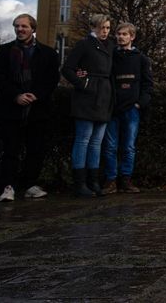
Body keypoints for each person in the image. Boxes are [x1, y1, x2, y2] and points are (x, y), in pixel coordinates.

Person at [0, 14, 59, 202]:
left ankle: (29, 184)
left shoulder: (48, 53)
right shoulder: (5, 51)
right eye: (17, 26)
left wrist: (36, 95)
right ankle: (8, 186)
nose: (19, 29)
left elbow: (51, 79)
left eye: (24, 26)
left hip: (37, 108)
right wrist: (16, 95)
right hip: (11, 108)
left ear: (33, 28)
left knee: (35, 149)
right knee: (10, 150)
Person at [61, 14, 114, 197]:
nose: (105, 31)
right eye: (101, 28)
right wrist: (82, 83)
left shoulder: (110, 45)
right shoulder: (84, 45)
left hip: (104, 97)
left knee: (96, 143)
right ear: (93, 27)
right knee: (83, 140)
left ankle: (93, 181)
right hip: (87, 97)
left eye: (107, 28)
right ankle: (80, 183)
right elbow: (67, 69)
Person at [101, 23, 153, 194]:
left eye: (124, 34)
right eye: (118, 34)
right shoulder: (110, 56)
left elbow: (148, 84)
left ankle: (125, 179)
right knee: (110, 146)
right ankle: (110, 180)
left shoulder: (141, 59)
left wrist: (140, 103)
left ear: (132, 37)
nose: (120, 37)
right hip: (112, 107)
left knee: (129, 146)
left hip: (132, 108)